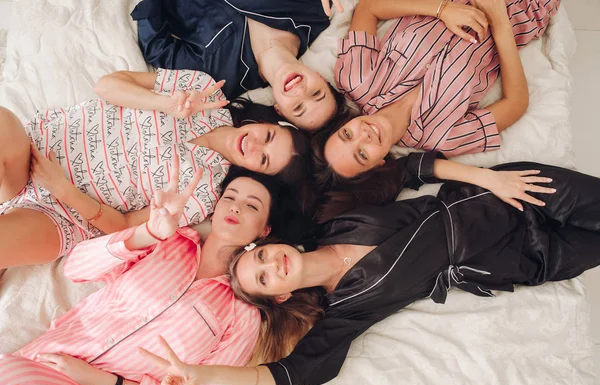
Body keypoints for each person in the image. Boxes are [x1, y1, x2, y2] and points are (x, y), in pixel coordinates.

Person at [140, 161, 600, 385]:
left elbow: (408, 169)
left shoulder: (336, 217)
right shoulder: (344, 310)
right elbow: (287, 376)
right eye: (262, 278)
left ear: (274, 242)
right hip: (521, 259)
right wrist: (200, 374)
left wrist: (487, 177)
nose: (269, 264)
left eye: (260, 256)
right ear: (278, 297)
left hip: (504, 196)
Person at [0, 166, 320, 385]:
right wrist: (147, 233)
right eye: (230, 196)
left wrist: (104, 384)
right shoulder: (166, 241)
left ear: (265, 230)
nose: (235, 206)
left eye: (252, 205)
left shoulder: (243, 318)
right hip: (45, 365)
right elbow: (76, 268)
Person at [0, 68, 309, 268]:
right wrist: (164, 104)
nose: (254, 146)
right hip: (37, 147)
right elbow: (106, 86)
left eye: (264, 159)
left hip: (65, 213)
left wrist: (63, 190)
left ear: (259, 173)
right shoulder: (203, 89)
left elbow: (123, 226)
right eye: (267, 137)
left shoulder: (207, 195)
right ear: (267, 122)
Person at [321, 0, 560, 179]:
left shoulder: (356, 78)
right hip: (524, 9)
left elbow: (369, 8)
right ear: (379, 164)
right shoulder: (445, 138)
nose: (364, 135)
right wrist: (499, 20)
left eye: (347, 135)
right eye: (362, 154)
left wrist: (442, 9)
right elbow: (516, 103)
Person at [130, 0, 348, 131]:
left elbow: (159, 50)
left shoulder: (220, 79)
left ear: (279, 110)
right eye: (316, 93)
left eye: (298, 108)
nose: (301, 92)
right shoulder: (316, 14)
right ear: (320, 76)